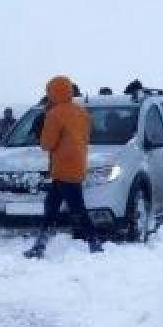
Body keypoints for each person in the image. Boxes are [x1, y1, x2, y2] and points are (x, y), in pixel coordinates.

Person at [24, 76, 102, 258]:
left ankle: (94, 243)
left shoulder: (54, 114)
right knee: (51, 206)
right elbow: (85, 138)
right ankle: (40, 245)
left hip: (62, 168)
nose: (47, 95)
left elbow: (46, 144)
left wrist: (42, 129)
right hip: (77, 165)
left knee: (77, 209)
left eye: (49, 91)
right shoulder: (82, 112)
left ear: (53, 92)